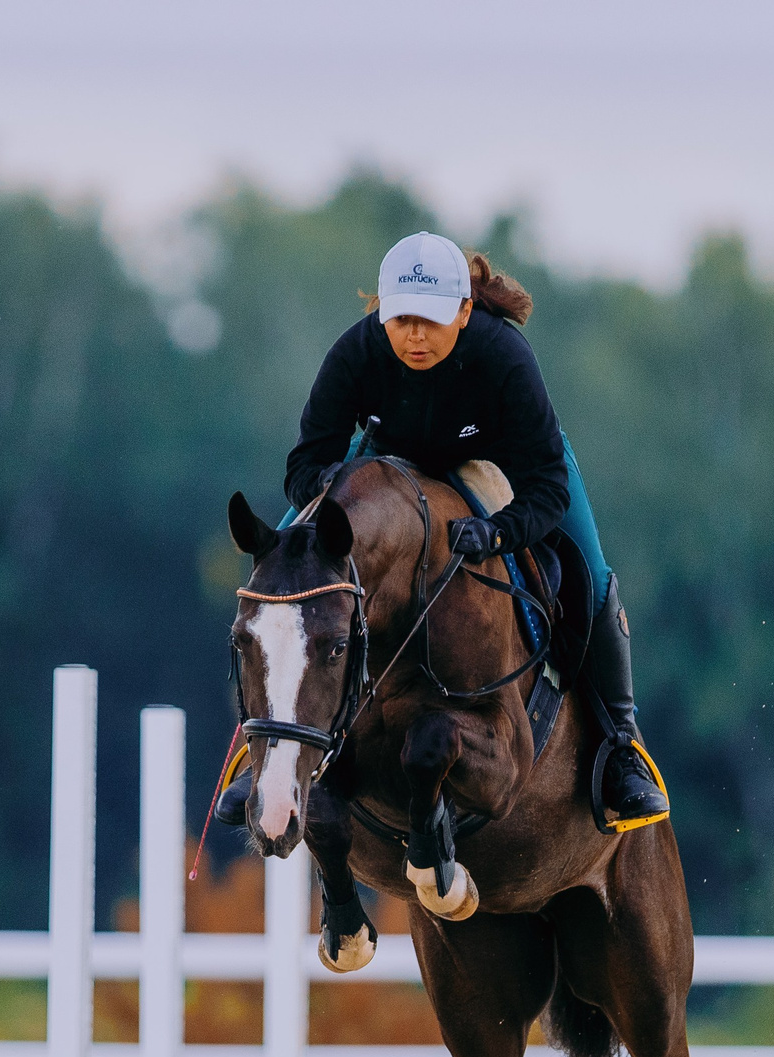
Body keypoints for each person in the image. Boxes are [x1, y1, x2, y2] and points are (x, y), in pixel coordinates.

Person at [220, 230, 669, 833]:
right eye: (401, 320)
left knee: (589, 570)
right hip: (393, 463)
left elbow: (547, 488)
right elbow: (303, 465)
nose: (414, 336)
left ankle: (620, 746)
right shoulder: (356, 352)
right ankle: (260, 756)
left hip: (504, 463)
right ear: (381, 313)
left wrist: (501, 535)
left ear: (463, 312)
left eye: (430, 322)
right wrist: (330, 483)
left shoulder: (503, 357)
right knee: (281, 572)